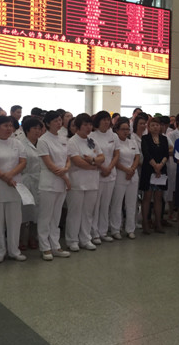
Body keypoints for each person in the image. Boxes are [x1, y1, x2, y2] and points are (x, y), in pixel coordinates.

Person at [0, 116, 27, 263]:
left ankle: (14, 250)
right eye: (5, 125)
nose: (9, 128)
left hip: (14, 184)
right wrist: (4, 177)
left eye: (11, 126)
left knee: (15, 220)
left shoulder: (17, 143)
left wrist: (10, 176)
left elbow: (22, 162)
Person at [65, 113, 104, 251]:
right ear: (78, 126)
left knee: (88, 212)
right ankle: (72, 240)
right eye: (85, 125)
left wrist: (92, 160)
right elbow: (77, 161)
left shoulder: (92, 141)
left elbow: (102, 157)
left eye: (90, 124)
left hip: (92, 181)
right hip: (77, 182)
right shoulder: (72, 142)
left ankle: (85, 238)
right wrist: (94, 164)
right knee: (75, 212)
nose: (88, 127)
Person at [37, 111, 71, 260]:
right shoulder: (43, 140)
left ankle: (55, 245)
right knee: (46, 216)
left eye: (59, 120)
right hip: (49, 182)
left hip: (61, 181)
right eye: (55, 121)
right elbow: (49, 164)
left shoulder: (63, 138)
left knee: (56, 216)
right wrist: (65, 177)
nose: (59, 123)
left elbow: (68, 159)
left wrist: (66, 169)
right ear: (48, 123)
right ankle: (45, 247)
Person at [91, 111, 120, 243]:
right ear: (98, 121)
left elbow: (116, 154)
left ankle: (103, 231)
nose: (106, 122)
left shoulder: (113, 135)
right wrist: (103, 168)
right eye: (104, 120)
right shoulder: (92, 136)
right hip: (97, 173)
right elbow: (91, 155)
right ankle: (94, 233)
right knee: (95, 205)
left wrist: (109, 168)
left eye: (108, 120)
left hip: (111, 173)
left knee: (106, 204)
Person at [110, 118, 140, 239]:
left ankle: (130, 229)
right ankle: (115, 229)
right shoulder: (114, 143)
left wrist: (132, 169)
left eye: (127, 129)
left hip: (133, 175)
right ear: (117, 130)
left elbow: (137, 157)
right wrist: (126, 170)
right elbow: (114, 159)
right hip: (120, 175)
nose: (125, 131)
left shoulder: (132, 142)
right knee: (117, 203)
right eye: (123, 129)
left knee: (131, 204)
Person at [139, 116, 169, 234]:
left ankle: (158, 223)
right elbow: (146, 153)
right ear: (149, 127)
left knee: (158, 198)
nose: (155, 127)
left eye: (157, 125)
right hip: (148, 169)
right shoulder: (145, 138)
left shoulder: (164, 139)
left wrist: (160, 165)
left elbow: (166, 154)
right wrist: (155, 166)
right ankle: (146, 223)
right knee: (147, 197)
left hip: (161, 170)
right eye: (153, 125)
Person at [19, 117, 43, 251]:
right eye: (34, 128)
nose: (37, 131)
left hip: (40, 180)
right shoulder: (20, 143)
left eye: (39, 128)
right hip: (25, 180)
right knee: (25, 211)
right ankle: (21, 239)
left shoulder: (42, 143)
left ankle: (33, 237)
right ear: (27, 130)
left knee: (38, 212)